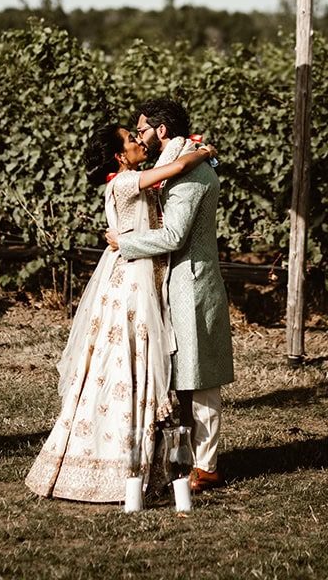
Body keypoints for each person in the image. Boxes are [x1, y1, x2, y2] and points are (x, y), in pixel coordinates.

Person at [25, 123, 216, 502]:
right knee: (126, 359)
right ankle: (116, 461)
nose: (139, 142)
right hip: (131, 281)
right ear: (118, 155)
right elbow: (175, 170)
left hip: (140, 274)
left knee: (131, 359)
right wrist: (202, 153)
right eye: (131, 140)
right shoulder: (125, 182)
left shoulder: (131, 179)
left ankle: (142, 461)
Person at [106, 98, 234, 493]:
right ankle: (183, 460)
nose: (140, 137)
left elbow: (175, 236)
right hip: (175, 282)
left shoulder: (188, 176)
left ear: (161, 131)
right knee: (181, 376)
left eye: (142, 130)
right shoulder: (183, 165)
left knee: (200, 377)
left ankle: (207, 466)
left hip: (191, 284)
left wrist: (124, 243)